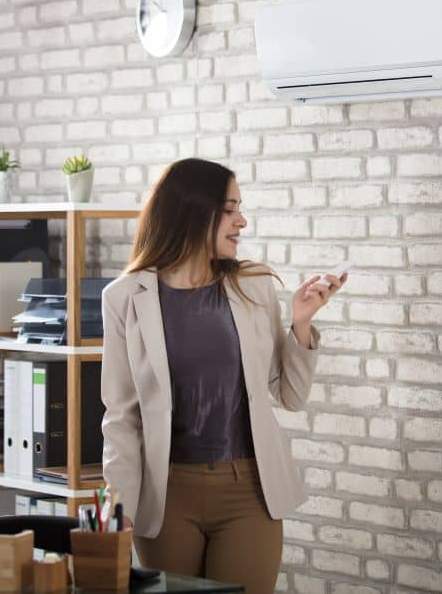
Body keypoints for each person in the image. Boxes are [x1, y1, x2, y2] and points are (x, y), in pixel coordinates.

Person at [100, 158, 347, 593]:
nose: (242, 221)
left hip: (249, 491)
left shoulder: (252, 285)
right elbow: (121, 416)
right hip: (166, 496)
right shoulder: (125, 297)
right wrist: (117, 512)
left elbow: (289, 395)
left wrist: (301, 326)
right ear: (195, 211)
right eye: (231, 210)